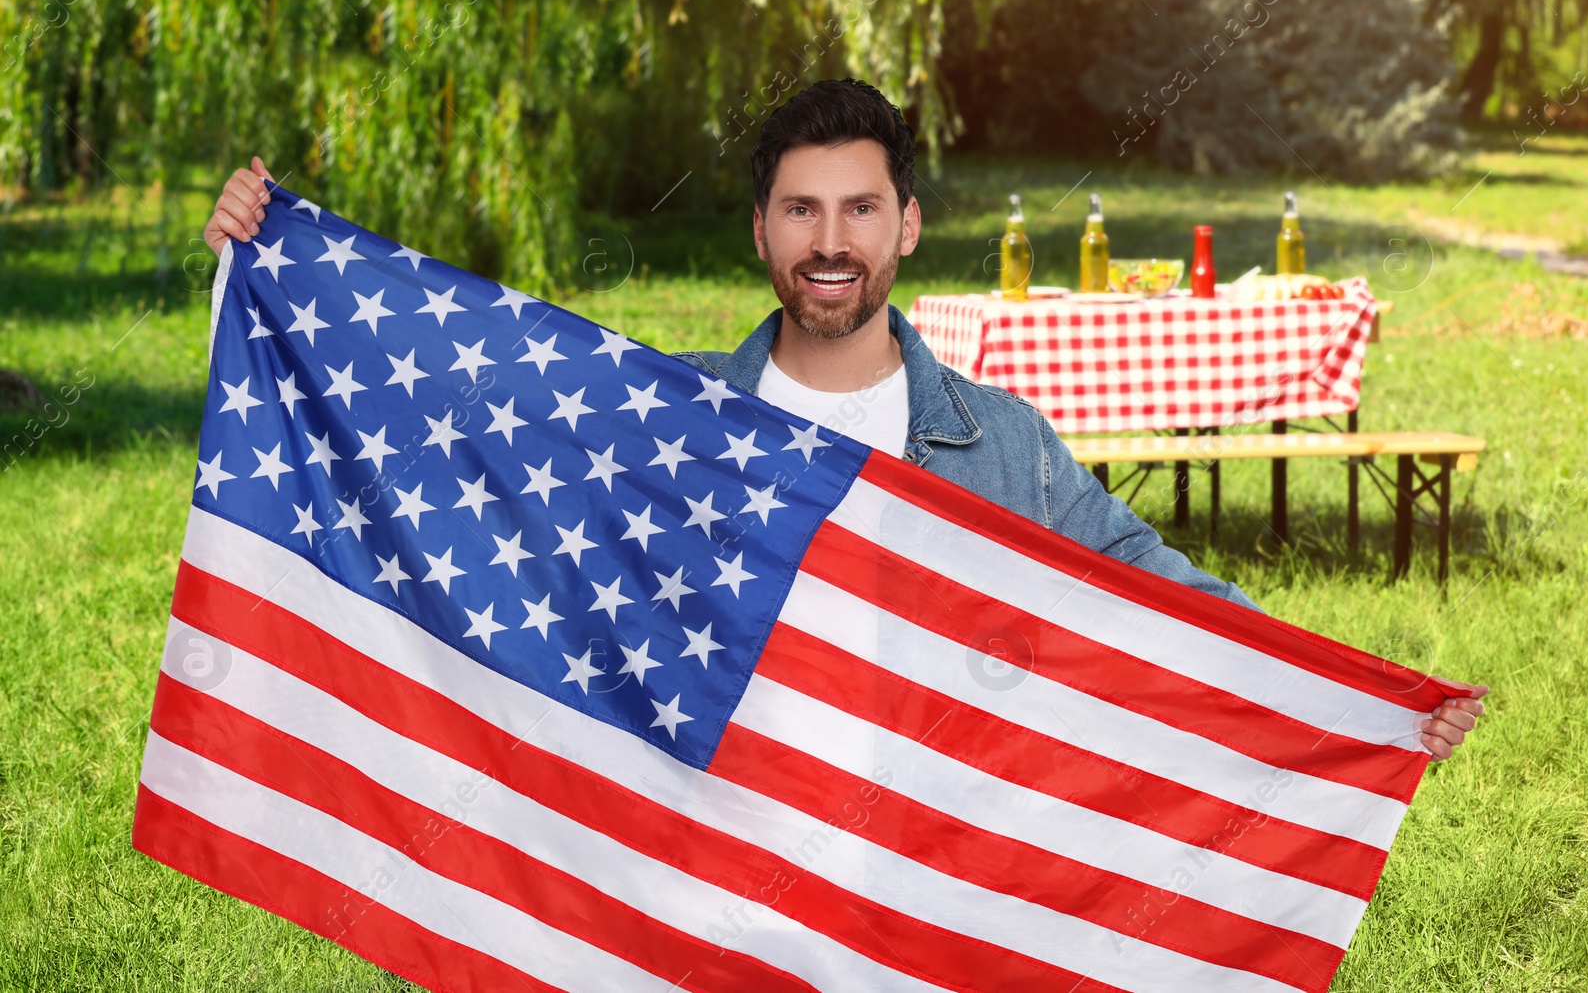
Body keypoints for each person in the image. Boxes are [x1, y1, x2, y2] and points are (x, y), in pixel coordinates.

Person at [202, 78, 1486, 760]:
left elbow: (1155, 589)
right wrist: (274, 268)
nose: (831, 243)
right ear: (761, 228)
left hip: (928, 847)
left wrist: (1357, 702)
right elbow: (481, 435)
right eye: (802, 211)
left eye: (860, 209)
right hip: (735, 832)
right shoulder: (682, 414)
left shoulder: (1002, 441)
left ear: (907, 225)